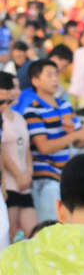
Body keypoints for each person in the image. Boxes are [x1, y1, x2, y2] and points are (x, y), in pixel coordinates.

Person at [23, 58, 84, 222]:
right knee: (51, 229)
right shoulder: (33, 110)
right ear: (35, 81)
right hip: (45, 179)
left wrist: (77, 135)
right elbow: (44, 147)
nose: (55, 79)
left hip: (65, 177)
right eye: (49, 75)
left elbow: (82, 140)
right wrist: (74, 135)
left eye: (56, 74)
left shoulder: (65, 106)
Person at [0, 72, 38, 240]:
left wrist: (28, 173)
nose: (15, 91)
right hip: (9, 183)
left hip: (23, 183)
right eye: (12, 87)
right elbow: (3, 152)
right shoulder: (3, 120)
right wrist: (15, 176)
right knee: (8, 234)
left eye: (17, 87)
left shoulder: (19, 118)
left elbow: (27, 149)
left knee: (35, 234)